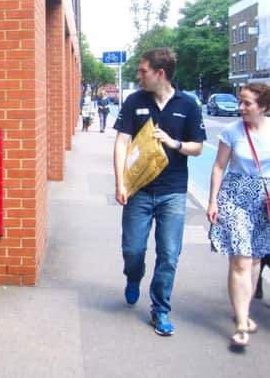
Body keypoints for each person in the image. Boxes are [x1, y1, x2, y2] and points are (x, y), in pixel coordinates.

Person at [113, 48, 206, 336]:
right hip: (139, 189)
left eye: (143, 71)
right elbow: (121, 142)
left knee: (169, 254)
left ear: (160, 73)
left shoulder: (188, 105)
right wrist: (120, 183)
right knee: (133, 249)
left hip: (173, 192)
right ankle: (133, 276)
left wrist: (173, 143)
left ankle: (160, 309)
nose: (138, 75)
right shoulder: (134, 102)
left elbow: (198, 147)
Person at [206, 82, 270, 347]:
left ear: (263, 107)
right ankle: (242, 321)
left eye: (247, 103)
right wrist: (212, 201)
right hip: (234, 196)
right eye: (240, 102)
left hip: (264, 199)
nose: (240, 107)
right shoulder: (232, 131)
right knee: (241, 261)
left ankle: (243, 307)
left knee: (255, 259)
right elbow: (219, 166)